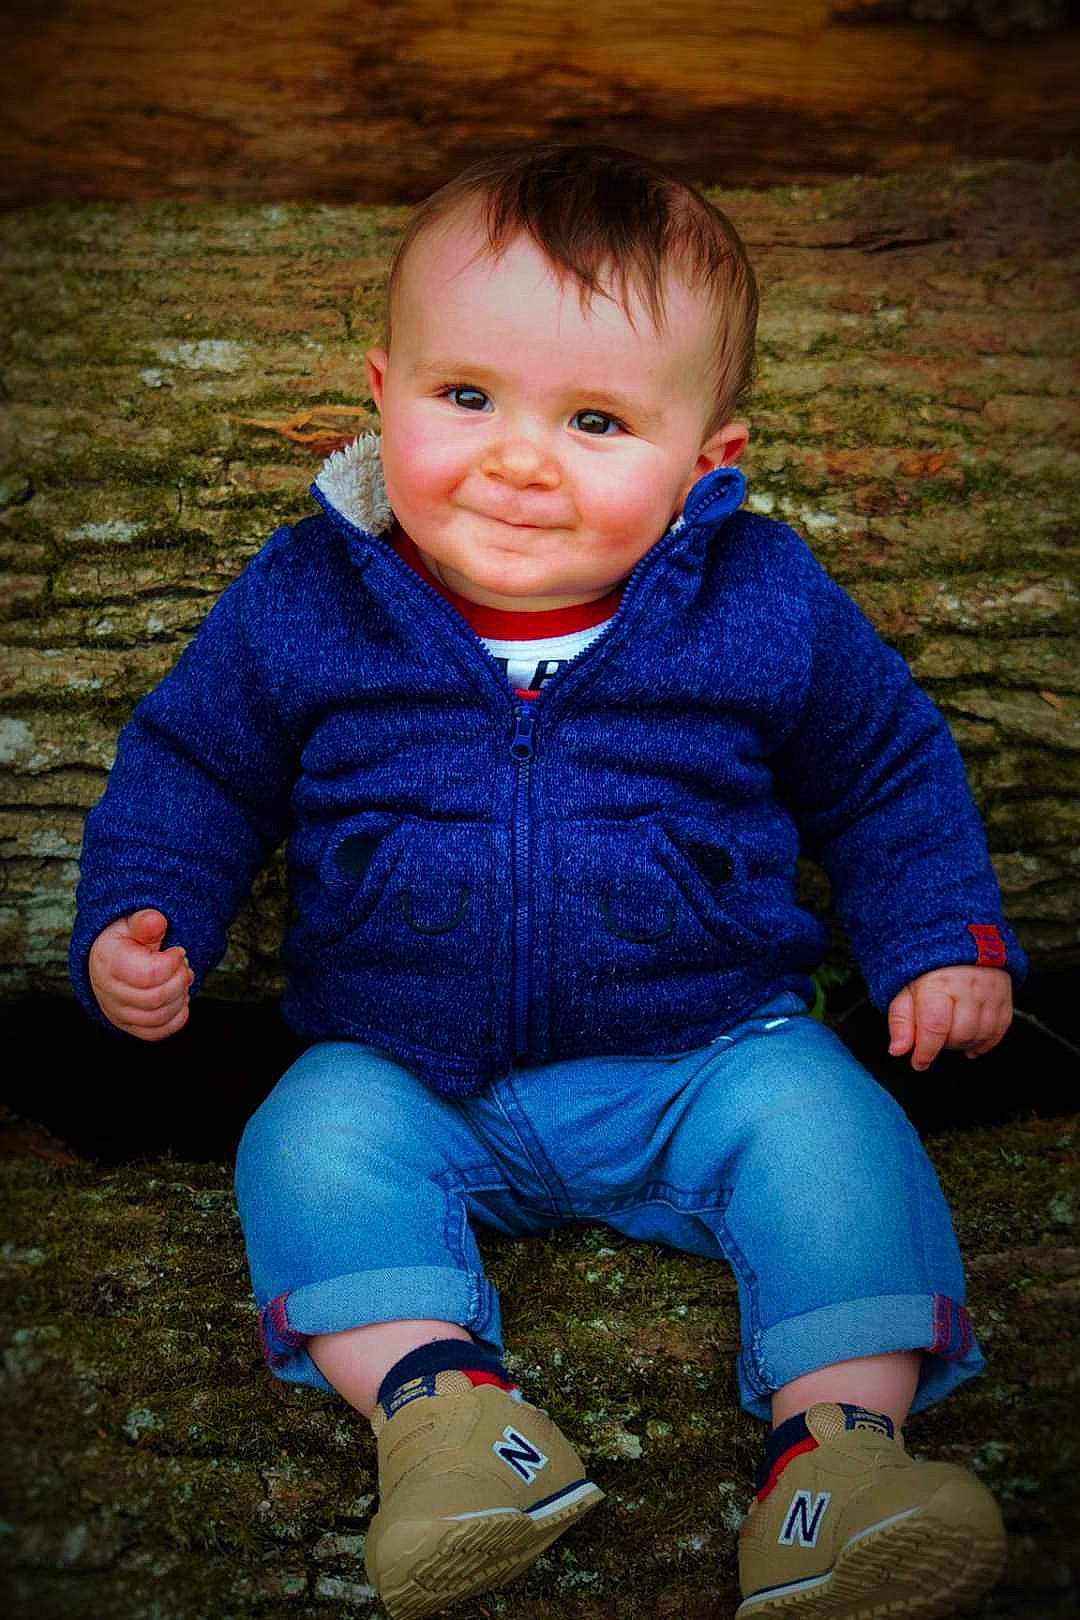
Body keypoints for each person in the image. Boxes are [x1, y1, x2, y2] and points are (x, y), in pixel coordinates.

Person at [70, 144, 1024, 1619]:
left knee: (838, 1139)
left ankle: (842, 1464)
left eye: (594, 420)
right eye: (467, 399)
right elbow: (196, 766)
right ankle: (450, 1423)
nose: (519, 458)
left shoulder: (757, 601)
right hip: (406, 1064)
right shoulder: (311, 600)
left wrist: (937, 941)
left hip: (706, 1054)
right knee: (305, 1144)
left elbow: (886, 769)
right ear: (380, 396)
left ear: (710, 458)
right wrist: (145, 915)